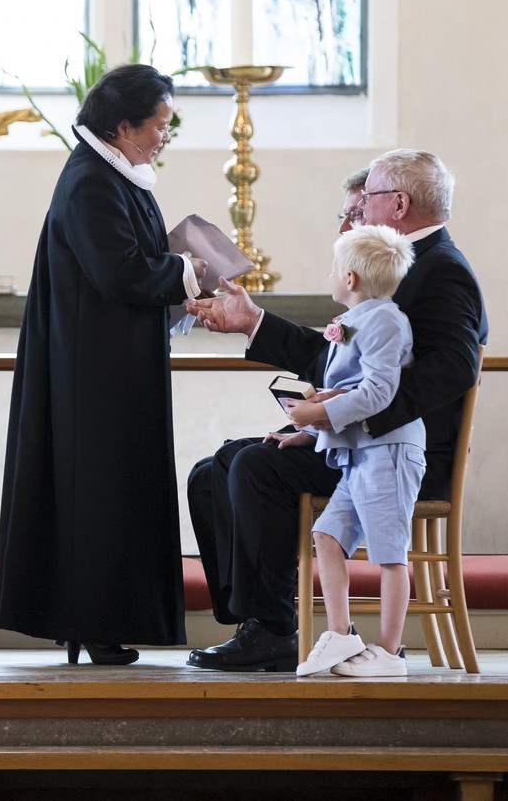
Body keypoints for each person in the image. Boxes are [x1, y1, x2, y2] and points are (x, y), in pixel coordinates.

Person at [184, 149, 487, 672]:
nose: (357, 212)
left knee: (253, 466)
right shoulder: (398, 263)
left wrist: (349, 415)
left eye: (366, 199)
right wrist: (254, 322)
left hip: (395, 456)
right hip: (362, 440)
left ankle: (274, 628)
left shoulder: (441, 270)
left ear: (398, 204)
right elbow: (337, 359)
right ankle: (257, 620)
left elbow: (456, 367)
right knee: (213, 471)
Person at [0, 64, 205, 665]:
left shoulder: (115, 175)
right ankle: (94, 621)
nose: (164, 135)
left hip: (112, 363)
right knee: (100, 494)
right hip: (94, 376)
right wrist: (188, 271)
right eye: (159, 123)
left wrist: (181, 274)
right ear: (123, 126)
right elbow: (120, 271)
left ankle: (102, 623)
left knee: (114, 490)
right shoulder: (91, 180)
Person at [285, 225, 424, 678]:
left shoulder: (385, 319)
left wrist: (320, 411)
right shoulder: (360, 319)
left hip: (389, 451)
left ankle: (390, 653)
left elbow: (380, 391)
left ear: (350, 279)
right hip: (360, 453)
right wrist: (312, 424)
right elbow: (352, 388)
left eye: (333, 268)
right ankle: (342, 634)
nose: (329, 274)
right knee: (326, 536)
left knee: (389, 554)